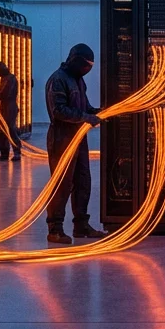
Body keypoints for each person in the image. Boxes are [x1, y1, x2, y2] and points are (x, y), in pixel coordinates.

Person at [44, 43, 107, 245]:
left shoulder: (78, 81)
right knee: (62, 184)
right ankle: (55, 229)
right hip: (62, 138)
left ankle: (81, 225)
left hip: (78, 138)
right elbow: (59, 111)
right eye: (85, 65)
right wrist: (85, 117)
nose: (87, 70)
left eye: (90, 66)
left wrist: (97, 112)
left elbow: (85, 106)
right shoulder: (58, 80)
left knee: (82, 181)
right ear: (75, 61)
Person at [0, 61, 22, 161]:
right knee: (3, 131)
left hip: (9, 108)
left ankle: (16, 152)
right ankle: (5, 154)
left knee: (10, 130)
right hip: (7, 107)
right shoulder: (7, 79)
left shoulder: (9, 79)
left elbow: (1, 94)